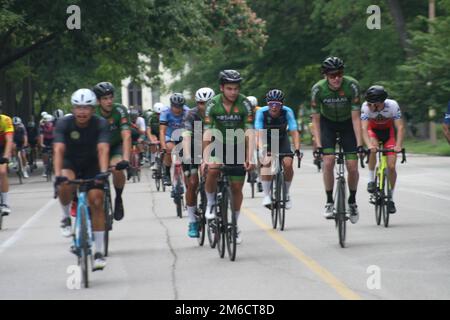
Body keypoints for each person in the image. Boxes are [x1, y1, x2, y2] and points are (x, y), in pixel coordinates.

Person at [54, 88, 110, 270]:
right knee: (64, 185)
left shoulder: (100, 123)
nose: (82, 111)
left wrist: (102, 172)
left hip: (92, 164)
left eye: (86, 107)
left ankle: (99, 252)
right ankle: (65, 217)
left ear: (93, 109)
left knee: (96, 201)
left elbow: (103, 149)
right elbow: (59, 150)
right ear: (73, 108)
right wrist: (57, 175)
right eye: (78, 107)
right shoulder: (64, 123)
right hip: (71, 162)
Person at [203, 70, 255, 244]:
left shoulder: (245, 103)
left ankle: (235, 224)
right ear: (221, 88)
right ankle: (210, 202)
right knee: (212, 169)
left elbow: (249, 131)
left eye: (236, 88)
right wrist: (205, 157)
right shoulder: (212, 104)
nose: (233, 92)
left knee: (237, 187)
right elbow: (207, 131)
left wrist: (249, 156)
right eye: (229, 88)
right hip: (217, 143)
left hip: (237, 144)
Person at [311, 57, 364, 224]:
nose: (336, 78)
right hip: (328, 125)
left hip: (348, 123)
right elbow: (316, 120)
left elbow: (357, 119)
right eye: (332, 75)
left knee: (352, 166)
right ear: (325, 75)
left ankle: (352, 201)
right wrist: (318, 144)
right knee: (328, 162)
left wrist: (360, 144)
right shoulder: (318, 89)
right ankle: (329, 201)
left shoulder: (352, 86)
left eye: (339, 74)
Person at [255, 89, 302, 209]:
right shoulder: (261, 112)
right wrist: (262, 149)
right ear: (267, 104)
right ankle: (266, 195)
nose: (274, 107)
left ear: (282, 104)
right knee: (267, 160)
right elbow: (258, 133)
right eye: (271, 104)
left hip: (281, 138)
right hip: (266, 139)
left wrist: (297, 148)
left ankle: (286, 194)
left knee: (288, 163)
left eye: (277, 104)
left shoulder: (287, 111)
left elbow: (294, 131)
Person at [361, 86, 405, 214]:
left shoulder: (392, 105)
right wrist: (369, 145)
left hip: (388, 134)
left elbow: (400, 127)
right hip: (373, 132)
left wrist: (398, 145)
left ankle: (390, 198)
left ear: (380, 103)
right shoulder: (365, 107)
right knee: (373, 148)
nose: (368, 105)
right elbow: (364, 129)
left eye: (371, 104)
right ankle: (370, 180)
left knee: (391, 167)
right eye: (368, 103)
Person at [93, 82, 131, 221]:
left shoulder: (120, 110)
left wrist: (125, 160)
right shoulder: (93, 112)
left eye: (110, 97)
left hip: (115, 146)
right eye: (105, 98)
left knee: (117, 169)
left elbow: (126, 135)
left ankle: (118, 198)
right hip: (98, 147)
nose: (109, 101)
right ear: (98, 101)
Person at [182, 87, 215, 238]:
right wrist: (188, 156)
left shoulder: (219, 113)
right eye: (202, 103)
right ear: (197, 103)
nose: (205, 106)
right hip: (193, 147)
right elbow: (187, 136)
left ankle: (216, 202)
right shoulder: (191, 114)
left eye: (208, 103)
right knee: (193, 182)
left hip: (214, 146)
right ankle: (192, 221)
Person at [159, 93, 190, 187]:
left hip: (183, 135)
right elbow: (162, 131)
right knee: (169, 149)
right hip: (169, 135)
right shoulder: (165, 112)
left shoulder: (187, 111)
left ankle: (187, 173)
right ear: (171, 105)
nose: (177, 109)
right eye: (175, 106)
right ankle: (167, 173)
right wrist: (163, 147)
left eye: (180, 106)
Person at [0, 101, 14, 215]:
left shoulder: (6, 120)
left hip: (2, 148)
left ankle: (4, 203)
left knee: (2, 172)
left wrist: (5, 156)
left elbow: (9, 140)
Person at [147, 102, 165, 170]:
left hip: (162, 133)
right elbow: (148, 130)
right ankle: (153, 161)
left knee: (163, 148)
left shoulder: (166, 116)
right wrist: (152, 140)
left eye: (161, 114)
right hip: (153, 133)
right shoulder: (151, 118)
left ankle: (163, 162)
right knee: (153, 144)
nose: (159, 115)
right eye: (157, 114)